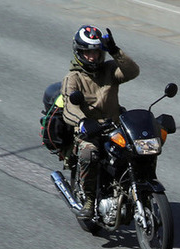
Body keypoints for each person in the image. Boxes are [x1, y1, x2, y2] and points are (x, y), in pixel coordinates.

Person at [62, 25, 140, 219]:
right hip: (90, 131)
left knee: (140, 146)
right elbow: (69, 106)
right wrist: (82, 122)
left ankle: (140, 185)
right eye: (87, 52)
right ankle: (89, 199)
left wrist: (115, 50)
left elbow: (132, 71)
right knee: (90, 153)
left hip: (114, 126)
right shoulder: (73, 78)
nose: (92, 57)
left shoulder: (110, 70)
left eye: (96, 52)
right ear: (79, 52)